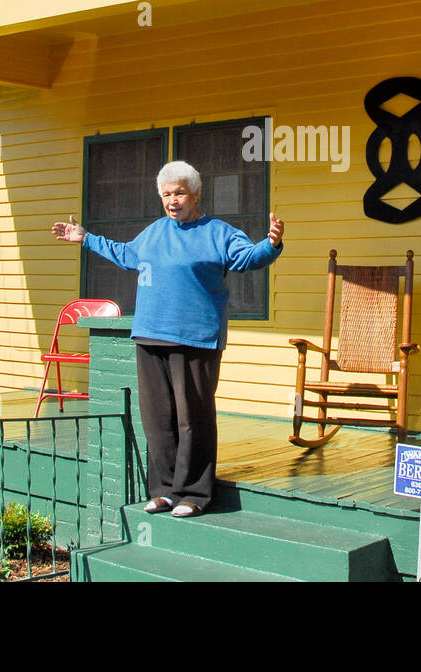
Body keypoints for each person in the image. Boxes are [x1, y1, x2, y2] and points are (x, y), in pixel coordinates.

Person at [51, 160, 284, 517]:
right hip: (150, 336)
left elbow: (248, 258)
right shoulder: (154, 232)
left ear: (196, 194)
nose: (172, 201)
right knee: (158, 419)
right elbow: (126, 254)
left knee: (194, 418)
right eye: (166, 195)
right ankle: (164, 491)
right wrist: (85, 238)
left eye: (178, 193)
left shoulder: (218, 233)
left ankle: (194, 494)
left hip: (196, 339)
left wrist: (270, 244)